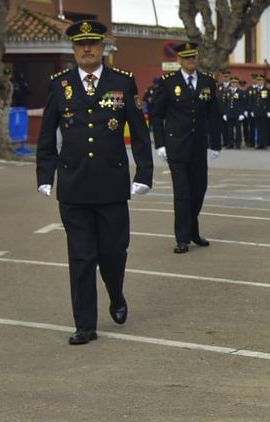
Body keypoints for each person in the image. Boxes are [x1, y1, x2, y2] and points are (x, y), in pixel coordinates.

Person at [37, 20, 153, 344]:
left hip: (112, 185)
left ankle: (115, 293)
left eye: (93, 44)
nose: (87, 49)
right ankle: (85, 324)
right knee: (81, 257)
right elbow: (47, 135)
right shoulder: (60, 85)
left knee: (114, 253)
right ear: (73, 49)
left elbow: (140, 134)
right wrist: (44, 175)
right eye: (80, 44)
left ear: (103, 47)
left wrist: (144, 173)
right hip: (73, 185)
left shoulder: (122, 82)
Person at [150, 41, 221, 253]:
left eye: (193, 57)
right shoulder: (169, 82)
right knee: (182, 194)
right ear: (179, 60)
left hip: (199, 146)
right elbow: (156, 115)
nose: (191, 61)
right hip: (176, 146)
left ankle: (193, 230)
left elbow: (214, 116)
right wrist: (160, 144)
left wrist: (215, 144)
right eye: (186, 58)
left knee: (199, 190)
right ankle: (182, 238)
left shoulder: (208, 82)